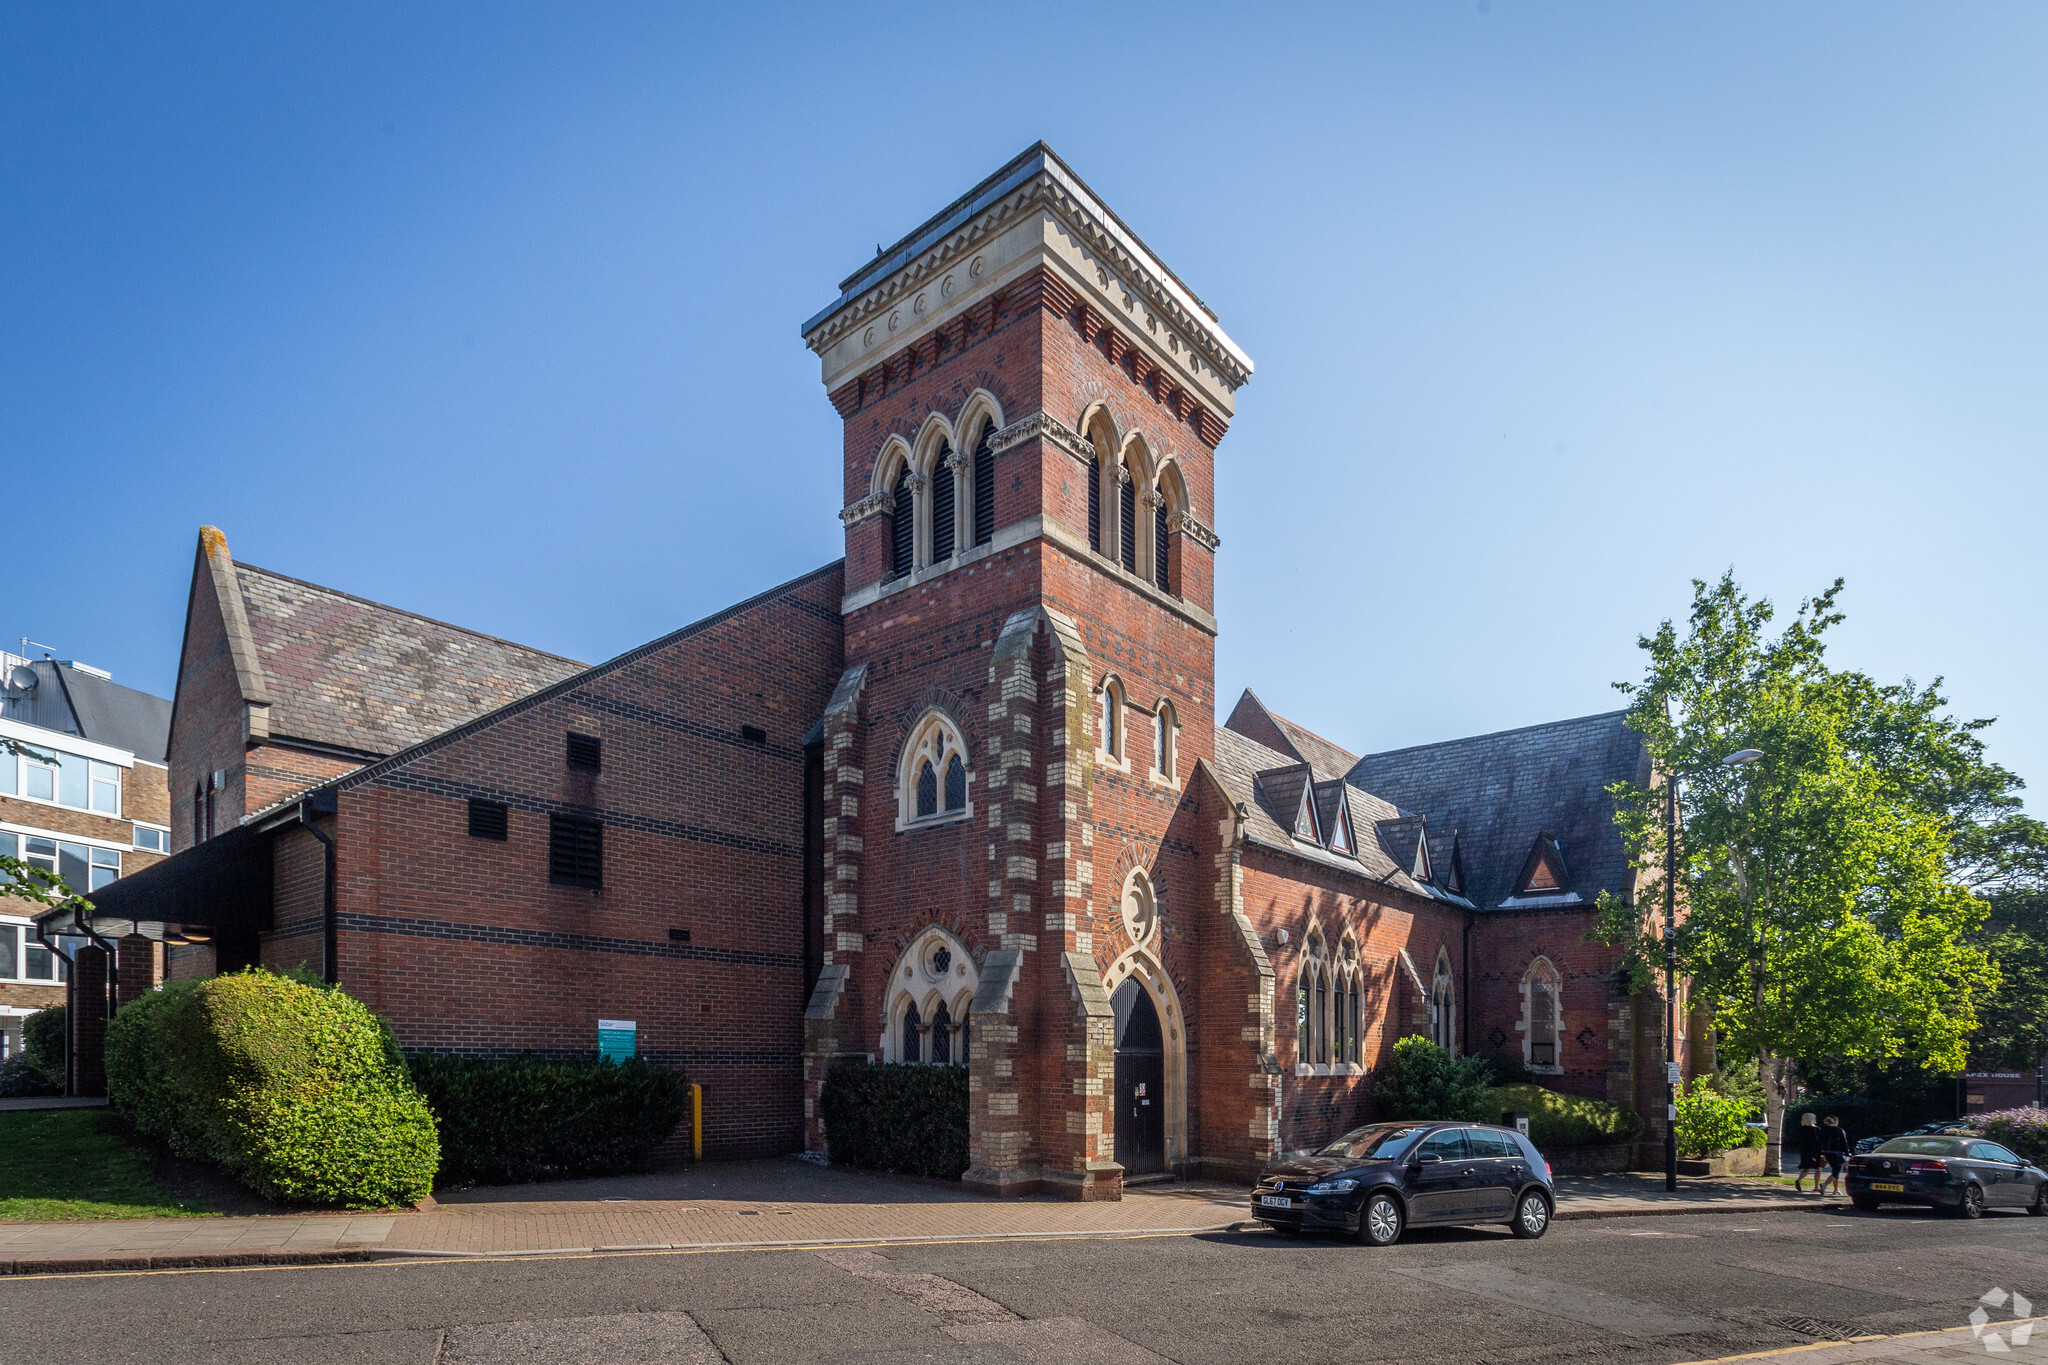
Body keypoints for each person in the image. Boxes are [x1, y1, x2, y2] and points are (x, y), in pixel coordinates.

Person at [1793, 1112, 1824, 1193]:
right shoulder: (1816, 1129)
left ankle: (1799, 1180)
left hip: (1804, 1151)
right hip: (1814, 1152)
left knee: (1806, 1168)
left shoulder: (1801, 1129)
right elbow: (1817, 1142)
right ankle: (1816, 1186)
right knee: (1818, 1169)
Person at [1819, 1115, 1850, 1196]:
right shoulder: (1839, 1130)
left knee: (1834, 1170)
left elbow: (1821, 1141)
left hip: (1827, 1152)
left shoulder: (1824, 1130)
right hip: (1837, 1152)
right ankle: (1824, 1184)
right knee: (1836, 1171)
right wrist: (1848, 1153)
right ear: (1836, 1121)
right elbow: (1844, 1142)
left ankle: (1836, 1189)